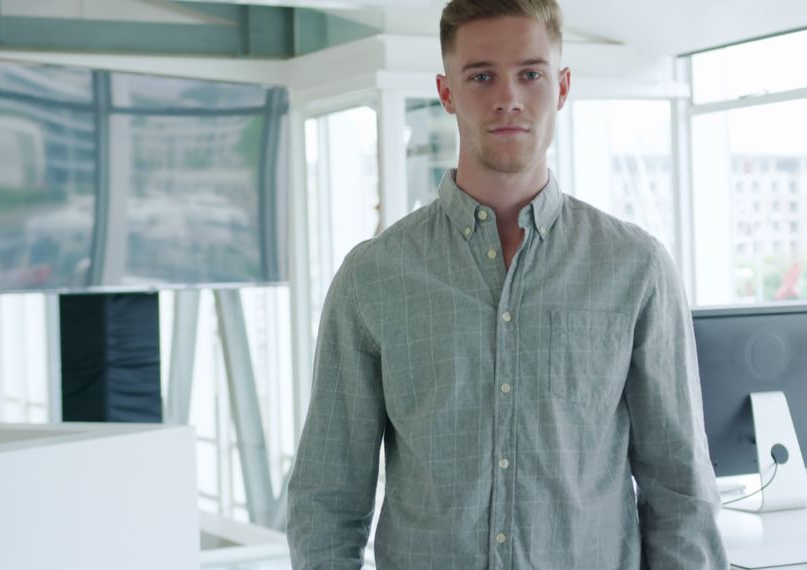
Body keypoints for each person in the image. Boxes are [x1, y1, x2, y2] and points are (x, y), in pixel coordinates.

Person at [286, 0, 728, 567]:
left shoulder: (634, 267)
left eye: (530, 74)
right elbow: (326, 498)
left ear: (562, 86)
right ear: (447, 93)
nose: (508, 98)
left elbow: (681, 491)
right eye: (481, 76)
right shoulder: (372, 278)